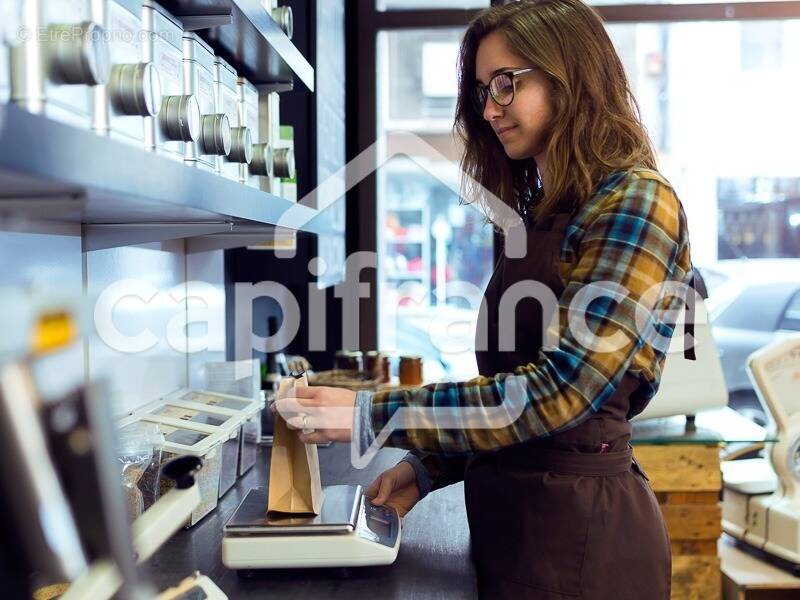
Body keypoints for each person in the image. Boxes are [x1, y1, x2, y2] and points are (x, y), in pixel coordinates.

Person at [275, 1, 695, 598]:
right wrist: (429, 469)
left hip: (585, 546)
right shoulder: (541, 215)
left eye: (506, 83)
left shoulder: (637, 203)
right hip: (515, 526)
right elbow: (512, 390)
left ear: (569, 73)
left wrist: (375, 414)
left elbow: (561, 394)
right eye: (482, 91)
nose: (491, 108)